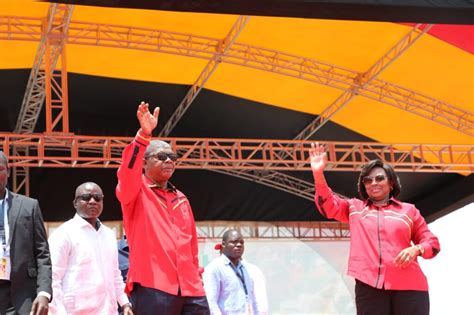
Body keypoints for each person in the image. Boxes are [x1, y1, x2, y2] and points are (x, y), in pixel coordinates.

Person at [309, 142, 440, 315]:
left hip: (410, 286)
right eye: (368, 180)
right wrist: (318, 174)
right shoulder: (354, 208)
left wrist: (417, 248)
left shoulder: (409, 210)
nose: (373, 183)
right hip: (369, 285)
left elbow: (432, 243)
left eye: (379, 178)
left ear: (391, 183)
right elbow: (328, 206)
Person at [116, 102, 209, 314]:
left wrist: (197, 275)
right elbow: (126, 171)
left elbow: (192, 245)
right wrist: (143, 136)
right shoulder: (136, 191)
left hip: (191, 287)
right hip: (154, 286)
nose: (169, 160)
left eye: (172, 157)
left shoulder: (181, 198)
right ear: (144, 163)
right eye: (161, 156)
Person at [48, 182, 132, 315]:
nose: (93, 201)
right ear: (75, 203)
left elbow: (115, 275)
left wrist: (125, 303)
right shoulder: (63, 234)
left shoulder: (109, 234)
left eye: (98, 198)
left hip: (108, 310)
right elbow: (53, 279)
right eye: (86, 197)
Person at [0, 151, 52, 315]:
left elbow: (42, 253)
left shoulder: (29, 206)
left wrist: (44, 292)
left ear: (8, 172)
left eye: (0, 169)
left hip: (22, 297)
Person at [203, 229, 269, 315]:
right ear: (223, 244)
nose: (239, 245)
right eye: (234, 242)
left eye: (241, 243)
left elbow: (256, 301)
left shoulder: (247, 269)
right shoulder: (214, 268)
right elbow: (210, 302)